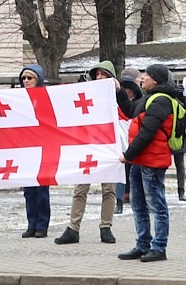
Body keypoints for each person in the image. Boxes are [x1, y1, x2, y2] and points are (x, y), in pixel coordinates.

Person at [54, 60, 134, 245]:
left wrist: (119, 92)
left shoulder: (117, 97)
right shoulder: (87, 95)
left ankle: (106, 227)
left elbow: (129, 112)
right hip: (88, 148)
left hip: (109, 149)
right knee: (80, 189)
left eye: (104, 75)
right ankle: (73, 228)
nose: (100, 78)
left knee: (109, 190)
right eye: (97, 74)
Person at [117, 64, 180, 262]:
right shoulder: (150, 98)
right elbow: (130, 112)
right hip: (141, 159)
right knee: (139, 204)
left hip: (152, 160)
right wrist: (119, 92)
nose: (142, 78)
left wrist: (128, 154)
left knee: (156, 204)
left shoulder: (161, 100)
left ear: (157, 80)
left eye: (147, 75)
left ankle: (159, 247)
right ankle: (143, 244)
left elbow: (147, 133)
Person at [19, 64, 51, 238]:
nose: (26, 81)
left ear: (38, 79)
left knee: (41, 189)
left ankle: (42, 225)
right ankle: (31, 224)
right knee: (29, 189)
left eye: (29, 78)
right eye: (24, 78)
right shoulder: (18, 98)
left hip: (43, 148)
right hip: (26, 148)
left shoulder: (46, 97)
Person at [116, 72, 143, 214]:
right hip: (120, 141)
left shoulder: (139, 105)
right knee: (121, 171)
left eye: (129, 90)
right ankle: (119, 200)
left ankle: (132, 196)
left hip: (133, 141)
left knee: (134, 171)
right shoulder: (114, 104)